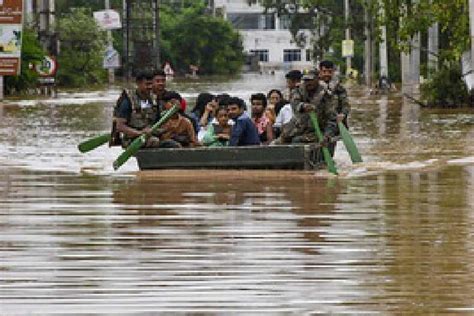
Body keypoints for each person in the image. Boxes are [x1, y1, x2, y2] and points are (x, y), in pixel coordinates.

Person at [113, 70, 161, 148]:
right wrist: (140, 133)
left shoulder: (154, 100)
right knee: (154, 141)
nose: (150, 87)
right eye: (147, 84)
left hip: (151, 135)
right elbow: (120, 126)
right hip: (132, 139)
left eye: (151, 84)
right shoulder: (128, 101)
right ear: (138, 84)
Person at [318, 60, 350, 128]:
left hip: (334, 122)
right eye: (324, 71)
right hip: (317, 123)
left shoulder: (339, 88)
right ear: (320, 72)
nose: (327, 74)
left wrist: (343, 114)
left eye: (329, 72)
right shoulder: (313, 86)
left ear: (332, 72)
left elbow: (346, 104)